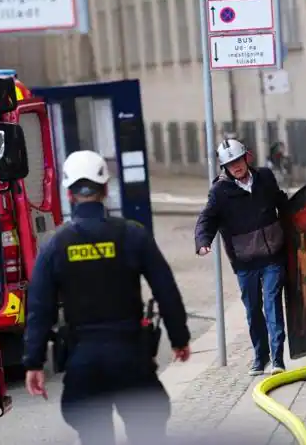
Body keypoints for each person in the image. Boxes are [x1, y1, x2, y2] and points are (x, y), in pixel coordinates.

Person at [22, 150, 191, 445]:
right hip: (131, 358)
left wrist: (33, 362)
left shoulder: (55, 246)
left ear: (69, 193)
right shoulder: (132, 235)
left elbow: (39, 308)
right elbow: (166, 289)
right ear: (105, 188)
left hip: (83, 361)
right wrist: (179, 338)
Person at [195, 138, 288, 376]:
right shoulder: (219, 192)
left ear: (246, 158)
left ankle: (277, 359)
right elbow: (207, 219)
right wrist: (203, 242)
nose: (235, 166)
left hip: (272, 256)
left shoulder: (265, 177)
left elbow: (281, 202)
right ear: (224, 167)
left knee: (272, 304)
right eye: (230, 163)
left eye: (238, 160)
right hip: (245, 262)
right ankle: (261, 357)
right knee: (253, 310)